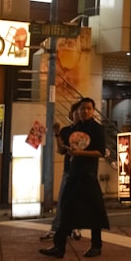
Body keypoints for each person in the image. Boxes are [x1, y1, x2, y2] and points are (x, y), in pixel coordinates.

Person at [40, 97, 110, 259]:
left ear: (93, 110)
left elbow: (100, 152)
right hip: (73, 174)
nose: (85, 111)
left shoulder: (97, 129)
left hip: (89, 175)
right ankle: (59, 247)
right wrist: (57, 135)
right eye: (82, 109)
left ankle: (96, 245)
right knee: (66, 209)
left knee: (94, 210)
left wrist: (80, 153)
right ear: (77, 111)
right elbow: (62, 150)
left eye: (88, 108)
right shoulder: (73, 128)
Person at [40, 100, 83, 242]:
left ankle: (75, 228)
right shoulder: (66, 131)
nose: (78, 114)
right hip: (69, 170)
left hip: (83, 171)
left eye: (80, 111)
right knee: (63, 200)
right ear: (71, 114)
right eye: (76, 112)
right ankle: (55, 228)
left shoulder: (87, 131)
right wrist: (57, 134)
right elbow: (61, 150)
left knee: (78, 200)